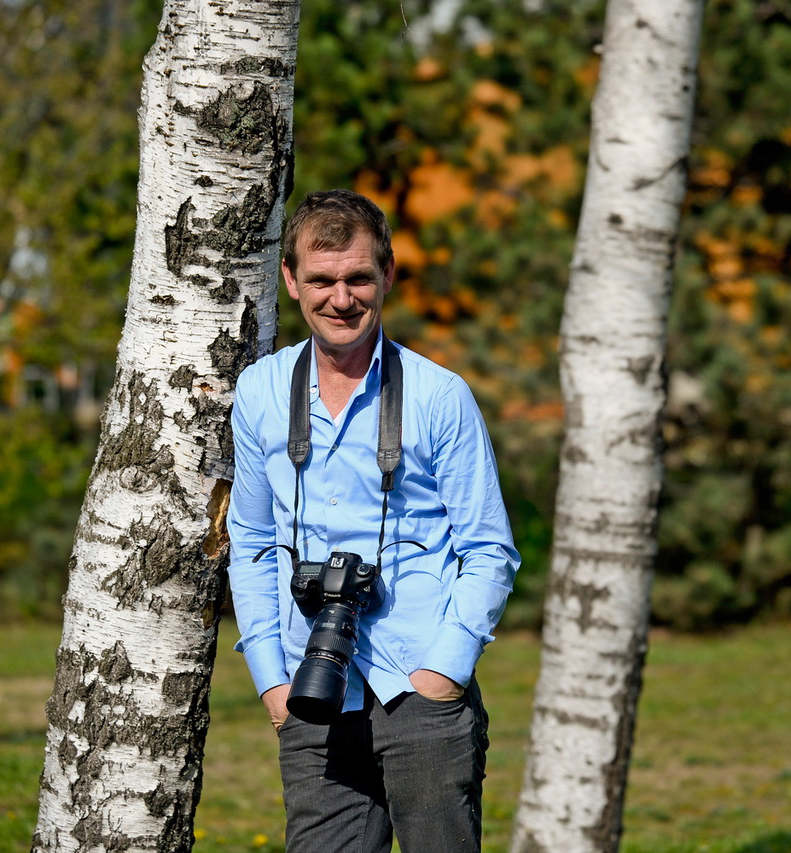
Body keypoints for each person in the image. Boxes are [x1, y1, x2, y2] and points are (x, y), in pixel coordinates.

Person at [227, 189, 520, 853]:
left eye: (358, 277)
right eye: (322, 280)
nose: (341, 298)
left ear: (386, 275)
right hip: (312, 688)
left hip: (417, 682)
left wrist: (443, 672)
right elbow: (249, 543)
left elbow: (487, 550)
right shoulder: (261, 391)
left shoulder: (439, 396)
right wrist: (272, 679)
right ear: (291, 281)